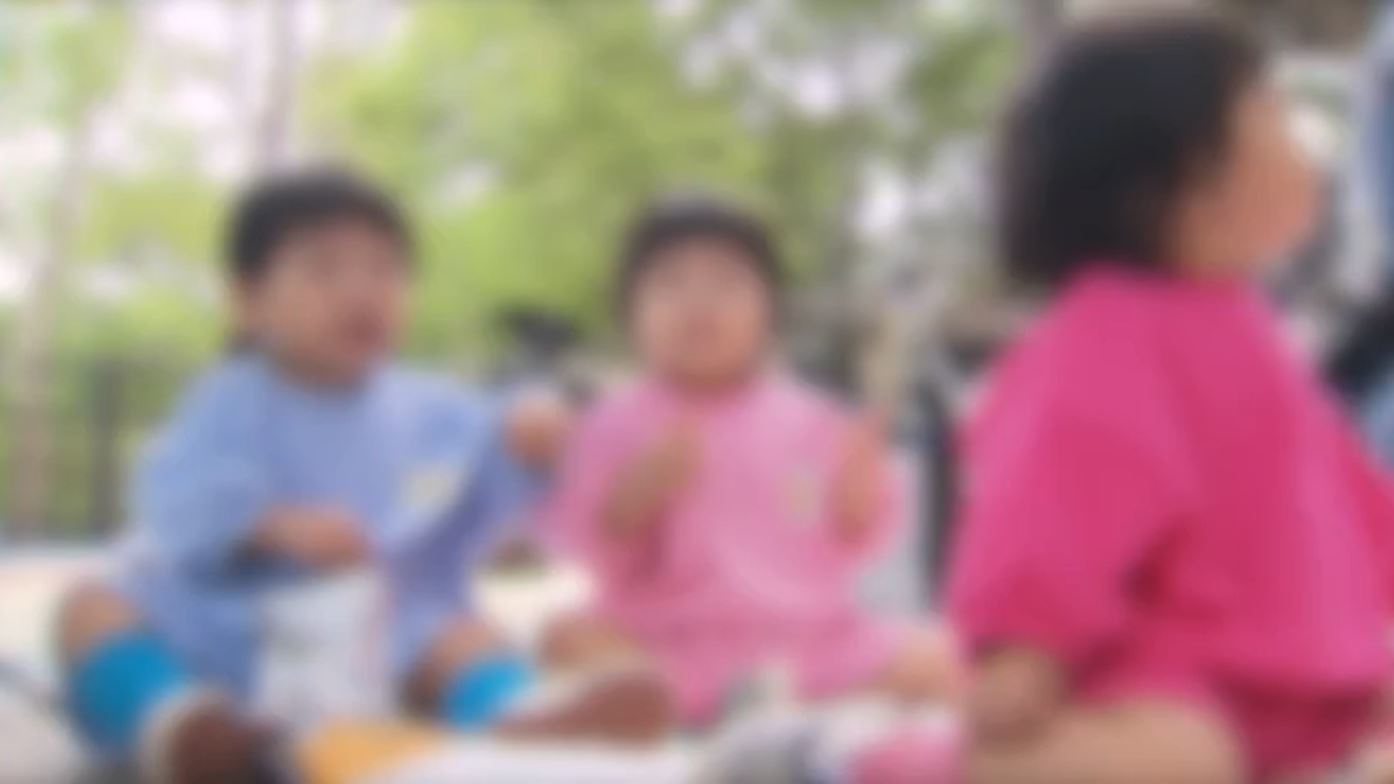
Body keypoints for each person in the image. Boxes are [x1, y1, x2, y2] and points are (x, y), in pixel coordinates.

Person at [54, 169, 666, 783]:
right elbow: (175, 495)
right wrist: (265, 524)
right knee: (91, 604)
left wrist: (531, 436)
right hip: (231, 629)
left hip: (388, 630)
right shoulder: (230, 399)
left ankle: (519, 713)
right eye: (324, 270)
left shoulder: (429, 405)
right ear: (248, 300)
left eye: (385, 271)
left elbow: (486, 455)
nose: (361, 292)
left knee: (456, 633)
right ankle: (173, 722)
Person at [948, 11, 1394, 781]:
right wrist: (1026, 642)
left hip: (1311, 684)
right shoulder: (1107, 331)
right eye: (1269, 110)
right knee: (1185, 756)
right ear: (1179, 176)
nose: (1299, 135)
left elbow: (1339, 495)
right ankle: (887, 763)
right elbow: (1055, 494)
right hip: (1168, 684)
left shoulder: (1251, 328)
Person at [546, 196, 954, 729]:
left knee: (946, 657)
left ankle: (730, 711)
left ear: (769, 312)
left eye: (727, 283)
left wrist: (858, 491)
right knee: (565, 639)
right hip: (664, 642)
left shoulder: (814, 418)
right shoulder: (612, 422)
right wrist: (632, 499)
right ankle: (713, 709)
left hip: (808, 643)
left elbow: (852, 537)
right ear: (631, 313)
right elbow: (581, 551)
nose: (699, 303)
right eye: (670, 283)